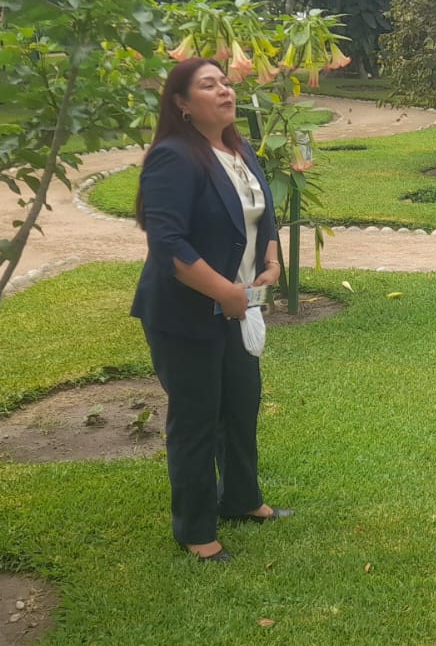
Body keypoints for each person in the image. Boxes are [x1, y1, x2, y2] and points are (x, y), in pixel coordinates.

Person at [132, 57, 293, 563]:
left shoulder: (237, 148)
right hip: (185, 314)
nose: (225, 90)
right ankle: (196, 530)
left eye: (225, 82)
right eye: (208, 85)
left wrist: (270, 260)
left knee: (241, 405)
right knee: (198, 418)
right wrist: (223, 291)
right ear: (181, 103)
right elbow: (168, 242)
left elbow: (261, 214)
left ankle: (242, 500)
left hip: (239, 306)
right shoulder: (174, 157)